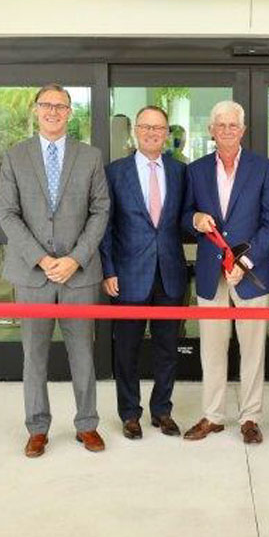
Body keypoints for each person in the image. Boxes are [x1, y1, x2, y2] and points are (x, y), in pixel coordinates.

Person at [0, 83, 110, 457]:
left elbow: (100, 211)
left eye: (60, 106)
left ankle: (87, 424)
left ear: (70, 113)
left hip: (78, 273)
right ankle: (37, 427)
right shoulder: (15, 157)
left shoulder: (90, 157)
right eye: (47, 105)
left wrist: (75, 258)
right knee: (34, 355)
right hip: (33, 274)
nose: (53, 112)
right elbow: (7, 214)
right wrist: (42, 259)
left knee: (83, 353)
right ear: (35, 110)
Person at [181, 100, 269, 445]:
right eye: (220, 125)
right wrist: (195, 219)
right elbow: (184, 217)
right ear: (211, 130)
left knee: (253, 348)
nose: (226, 131)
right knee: (211, 347)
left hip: (250, 273)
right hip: (212, 273)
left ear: (243, 130)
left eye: (233, 125)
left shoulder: (264, 168)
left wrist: (244, 261)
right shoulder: (194, 170)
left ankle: (250, 417)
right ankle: (213, 416)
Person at [99, 106, 187, 440]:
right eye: (146, 127)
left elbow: (184, 220)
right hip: (127, 274)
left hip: (170, 273)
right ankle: (130, 413)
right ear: (136, 131)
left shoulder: (181, 172)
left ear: (167, 133)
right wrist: (108, 269)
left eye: (159, 127)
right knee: (127, 349)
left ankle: (162, 410)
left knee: (167, 348)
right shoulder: (114, 172)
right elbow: (105, 226)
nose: (152, 133)